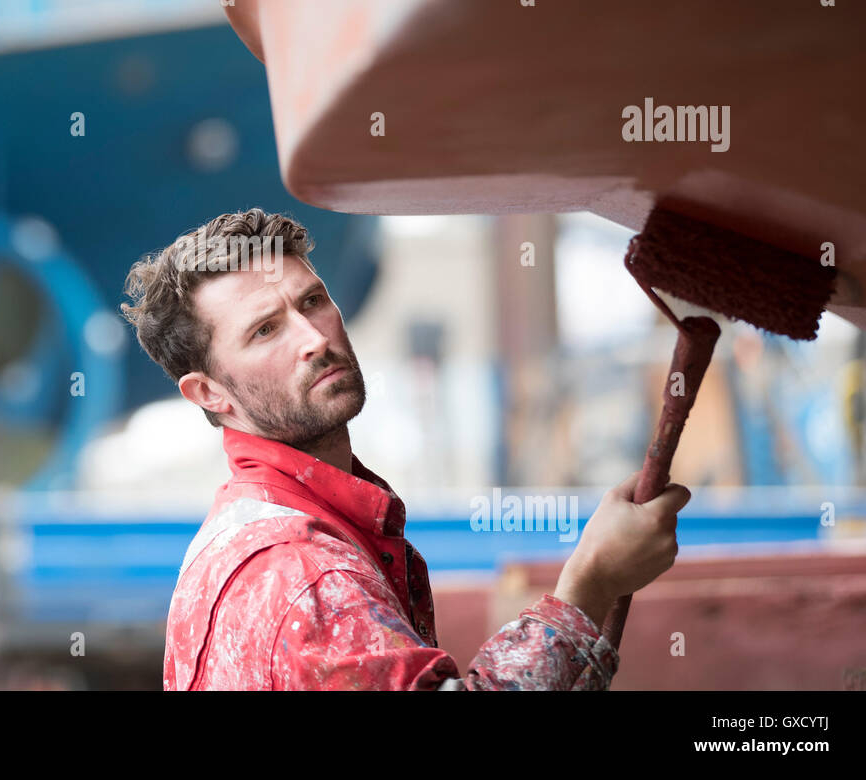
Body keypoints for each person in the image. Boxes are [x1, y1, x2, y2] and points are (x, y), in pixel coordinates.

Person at [120, 208, 689, 690]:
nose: (314, 337)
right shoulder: (302, 574)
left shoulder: (242, 534)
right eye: (265, 330)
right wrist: (590, 584)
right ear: (209, 393)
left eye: (312, 300)